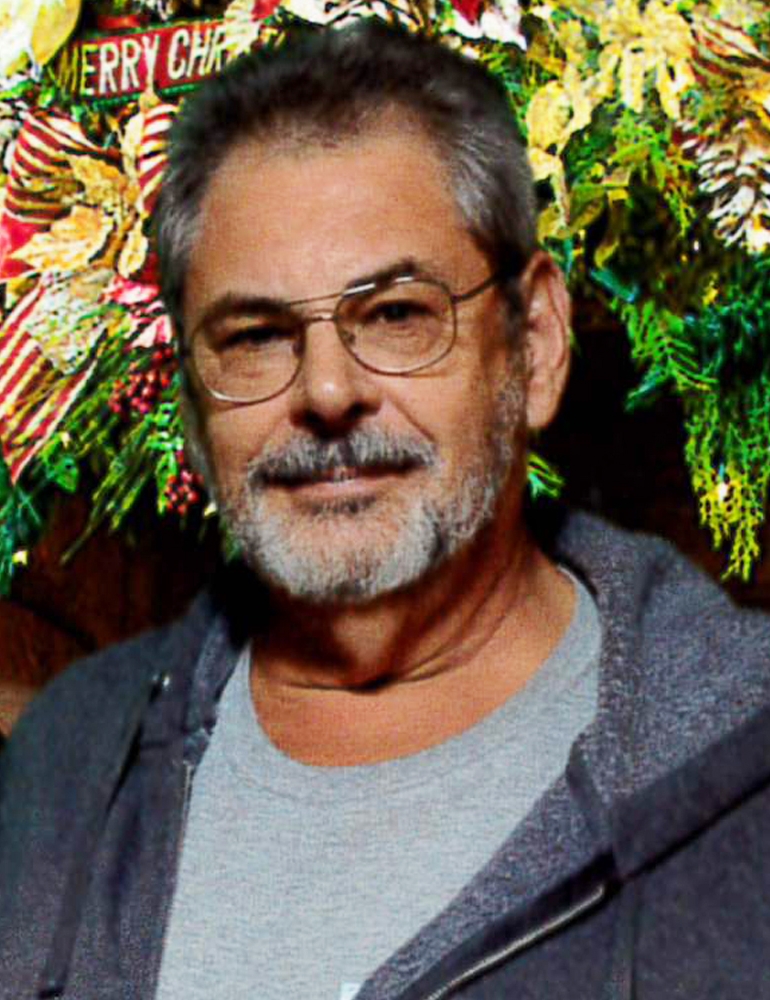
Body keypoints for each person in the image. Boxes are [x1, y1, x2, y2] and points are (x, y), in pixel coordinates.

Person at [2, 20, 770, 1000]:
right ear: (192, 403)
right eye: (255, 335)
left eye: (399, 315)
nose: (327, 391)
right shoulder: (65, 776)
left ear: (532, 345)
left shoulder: (743, 782)